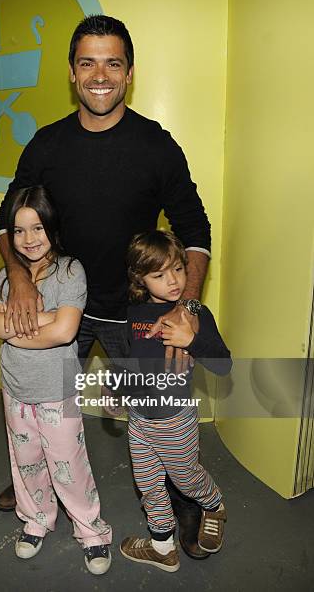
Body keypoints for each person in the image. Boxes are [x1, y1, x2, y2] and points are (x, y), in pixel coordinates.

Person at [0, 14, 212, 559]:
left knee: (160, 413)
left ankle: (185, 499)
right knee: (38, 403)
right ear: (71, 72)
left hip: (136, 312)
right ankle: (35, 486)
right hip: (63, 303)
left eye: (112, 62)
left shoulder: (155, 145)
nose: (99, 74)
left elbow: (195, 230)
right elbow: (6, 217)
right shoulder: (46, 145)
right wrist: (20, 277)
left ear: (129, 73)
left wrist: (185, 307)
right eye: (87, 62)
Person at [0, 186, 112, 575]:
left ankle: (92, 532)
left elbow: (65, 332)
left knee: (67, 463)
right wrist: (44, 318)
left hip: (57, 389)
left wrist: (18, 325)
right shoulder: (7, 277)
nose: (28, 239)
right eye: (19, 231)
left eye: (37, 228)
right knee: (25, 461)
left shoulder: (71, 271)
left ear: (52, 228)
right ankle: (36, 518)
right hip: (15, 389)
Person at [118, 230, 231, 572]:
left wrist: (191, 339)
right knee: (149, 486)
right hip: (139, 421)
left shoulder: (195, 314)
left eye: (179, 269)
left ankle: (214, 505)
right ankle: (161, 547)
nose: (173, 281)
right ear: (140, 278)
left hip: (175, 421)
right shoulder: (134, 314)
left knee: (186, 479)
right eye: (159, 274)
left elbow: (224, 365)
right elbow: (130, 360)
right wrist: (116, 390)